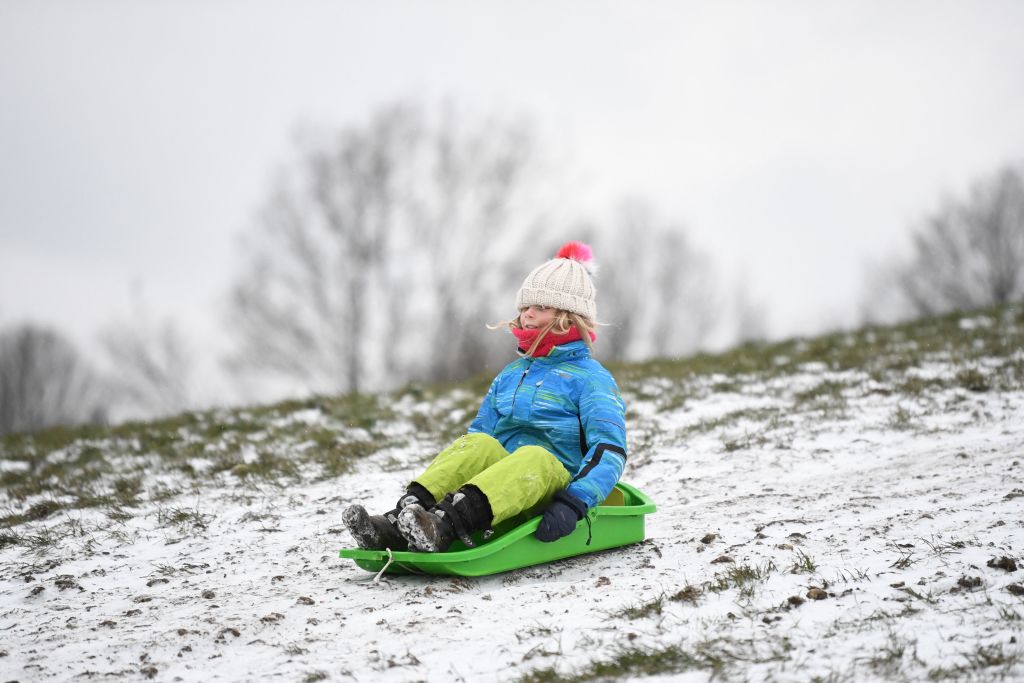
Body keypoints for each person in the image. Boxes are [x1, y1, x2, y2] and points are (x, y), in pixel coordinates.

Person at [342, 241, 628, 552]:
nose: (528, 315)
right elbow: (479, 438)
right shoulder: (511, 375)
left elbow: (609, 450)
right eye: (524, 307)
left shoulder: (591, 379)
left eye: (541, 308)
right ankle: (401, 522)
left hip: (553, 489)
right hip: (496, 491)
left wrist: (574, 502)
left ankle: (444, 526)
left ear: (569, 318)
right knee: (478, 444)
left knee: (535, 456)